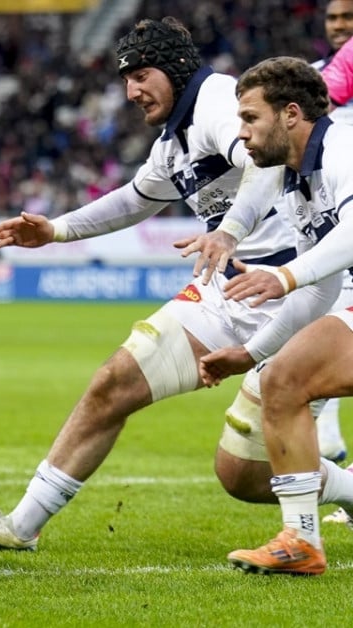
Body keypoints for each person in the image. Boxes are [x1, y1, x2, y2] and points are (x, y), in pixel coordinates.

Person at [0, 18, 353, 552]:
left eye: (141, 75)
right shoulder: (173, 139)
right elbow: (137, 197)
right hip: (235, 290)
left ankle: (322, 515)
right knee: (114, 381)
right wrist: (57, 230)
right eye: (125, 80)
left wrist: (229, 232)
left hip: (293, 289)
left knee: (244, 474)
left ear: (176, 67)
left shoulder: (221, 102)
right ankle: (22, 525)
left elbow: (267, 163)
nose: (131, 91)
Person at [184, 58, 353, 575]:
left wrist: (284, 276)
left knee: (285, 380)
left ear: (292, 114)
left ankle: (301, 540)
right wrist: (251, 352)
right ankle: (301, 540)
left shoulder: (343, 148)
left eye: (251, 119)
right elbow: (319, 291)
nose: (243, 136)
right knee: (281, 377)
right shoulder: (297, 180)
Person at [308, 0, 353, 464]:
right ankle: (329, 442)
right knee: (328, 322)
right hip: (330, 225)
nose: (340, 26)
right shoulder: (310, 81)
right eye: (334, 18)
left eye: (349, 18)